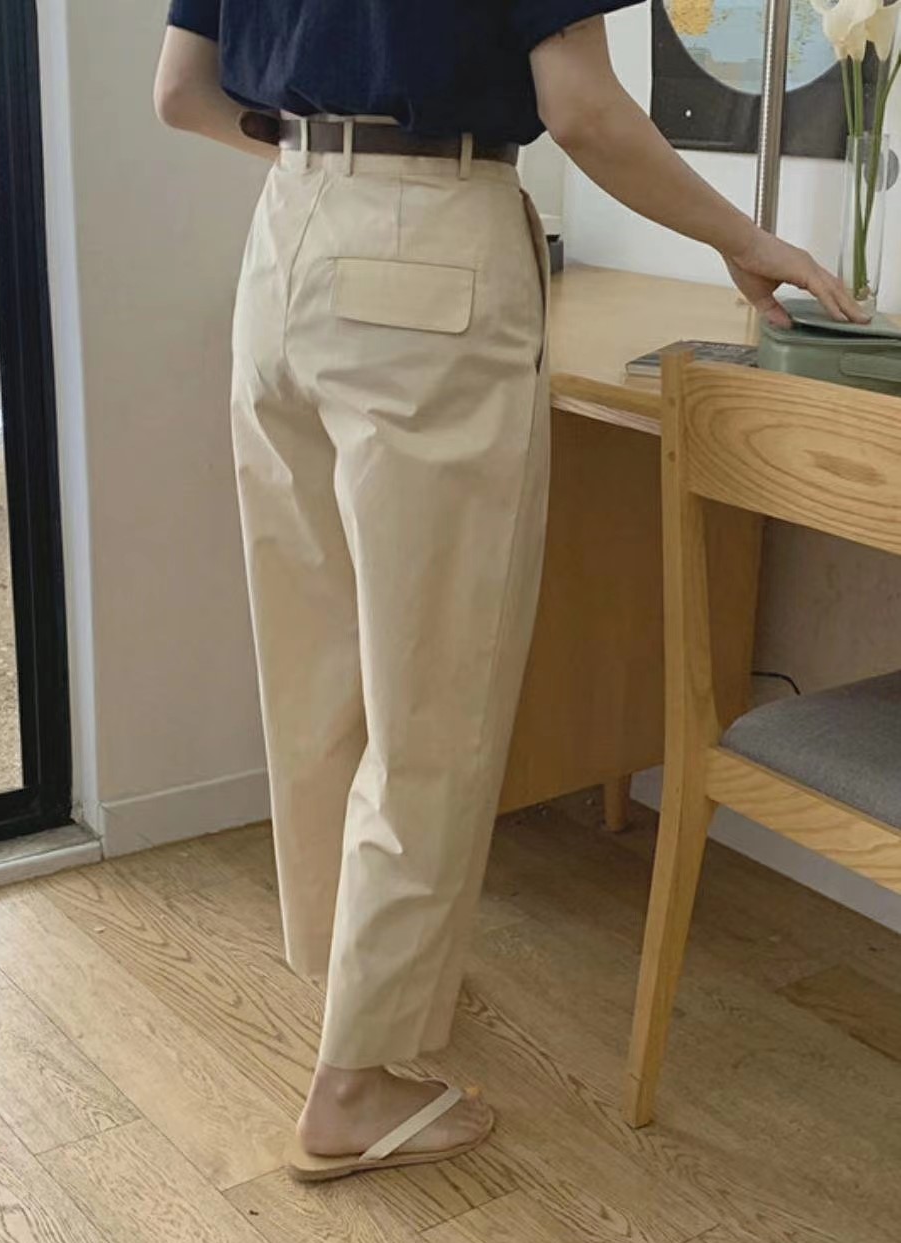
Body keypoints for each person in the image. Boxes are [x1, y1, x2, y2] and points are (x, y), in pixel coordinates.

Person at [154, 1, 865, 1182]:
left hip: (282, 246)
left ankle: (352, 979)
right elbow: (580, 109)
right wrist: (743, 238)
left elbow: (182, 93)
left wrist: (331, 169)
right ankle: (356, 1079)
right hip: (433, 246)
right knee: (435, 694)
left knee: (318, 662)